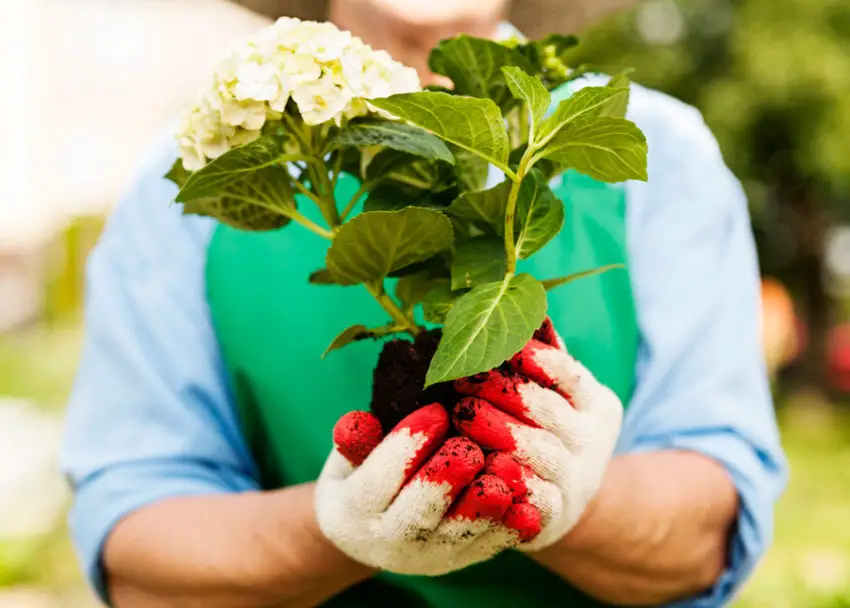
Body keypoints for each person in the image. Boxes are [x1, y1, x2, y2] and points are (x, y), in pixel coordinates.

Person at [60, 1, 787, 606]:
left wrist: (568, 496)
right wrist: (333, 529)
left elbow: (707, 528)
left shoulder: (659, 152)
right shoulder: (193, 179)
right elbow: (138, 547)